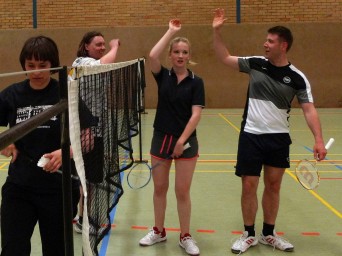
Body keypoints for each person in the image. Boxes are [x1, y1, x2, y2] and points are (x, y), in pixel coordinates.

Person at [212, 8, 327, 254]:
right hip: (251, 135)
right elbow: (224, 57)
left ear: (283, 46)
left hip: (278, 138)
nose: (265, 44)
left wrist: (318, 139)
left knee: (273, 186)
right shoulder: (255, 64)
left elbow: (309, 109)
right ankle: (249, 234)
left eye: (270, 41)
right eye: (266, 40)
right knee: (249, 185)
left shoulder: (297, 78)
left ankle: (268, 233)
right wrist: (216, 32)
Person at [0, 36, 87, 255]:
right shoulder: (12, 94)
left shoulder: (67, 93)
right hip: (19, 187)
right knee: (12, 248)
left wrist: (67, 151)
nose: (36, 72)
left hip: (58, 190)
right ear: (24, 65)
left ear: (53, 65)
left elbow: (88, 137)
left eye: (42, 66)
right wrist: (6, 143)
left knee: (56, 249)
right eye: (31, 66)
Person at [138, 19, 205, 256]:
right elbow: (152, 55)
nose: (180, 55)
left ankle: (185, 236)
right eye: (176, 52)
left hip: (186, 141)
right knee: (159, 188)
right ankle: (159, 230)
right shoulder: (162, 75)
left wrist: (181, 141)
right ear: (171, 55)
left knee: (182, 191)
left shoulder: (197, 82)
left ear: (189, 56)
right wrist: (171, 31)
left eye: (184, 52)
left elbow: (196, 114)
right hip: (160, 138)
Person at [72, 30, 120, 234]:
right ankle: (83, 219)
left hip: (97, 131)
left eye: (104, 45)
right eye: (98, 44)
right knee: (82, 179)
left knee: (90, 180)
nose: (102, 48)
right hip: (82, 131)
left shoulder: (99, 66)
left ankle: (83, 216)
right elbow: (103, 63)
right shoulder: (80, 63)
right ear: (86, 46)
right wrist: (115, 46)